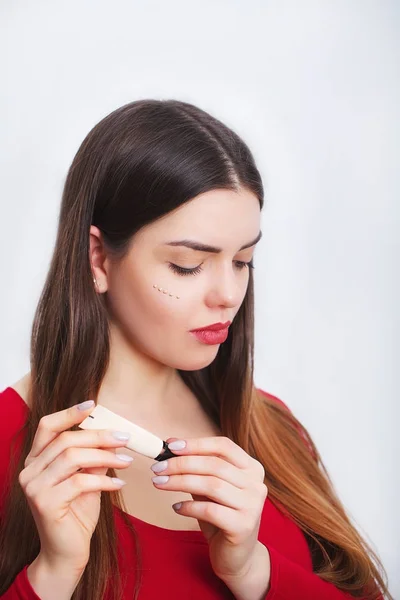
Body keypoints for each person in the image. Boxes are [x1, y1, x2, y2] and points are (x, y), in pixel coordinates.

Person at [0, 99, 390, 600]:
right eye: (187, 265)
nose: (228, 295)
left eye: (244, 260)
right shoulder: (9, 441)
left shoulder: (274, 429)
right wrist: (52, 575)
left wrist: (254, 572)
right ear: (98, 257)